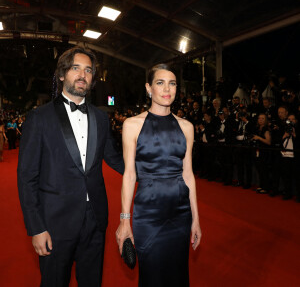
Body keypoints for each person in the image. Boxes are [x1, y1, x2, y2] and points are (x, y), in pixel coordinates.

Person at [17, 46, 124, 287]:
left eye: (88, 70)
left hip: (95, 219)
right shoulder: (39, 117)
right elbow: (26, 177)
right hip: (55, 222)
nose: (82, 75)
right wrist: (36, 227)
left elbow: (116, 159)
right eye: (76, 68)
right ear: (62, 74)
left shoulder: (100, 118)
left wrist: (155, 171)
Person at [116, 64, 201, 287]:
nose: (167, 89)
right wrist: (125, 221)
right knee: (152, 276)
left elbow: (188, 175)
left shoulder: (187, 127)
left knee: (178, 275)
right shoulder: (132, 125)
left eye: (172, 83)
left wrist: (196, 219)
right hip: (148, 215)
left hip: (180, 214)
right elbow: (129, 175)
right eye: (160, 83)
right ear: (148, 88)